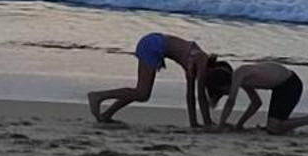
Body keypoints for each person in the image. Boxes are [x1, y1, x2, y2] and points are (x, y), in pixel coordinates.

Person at [88, 32, 220, 130]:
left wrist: (194, 124)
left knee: (141, 92)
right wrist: (207, 124)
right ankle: (98, 96)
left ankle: (107, 114)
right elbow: (201, 95)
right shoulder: (202, 60)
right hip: (153, 45)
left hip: (153, 42)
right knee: (142, 93)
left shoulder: (195, 62)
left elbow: (190, 96)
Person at [207, 58, 308, 136]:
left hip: (290, 84)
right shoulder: (242, 79)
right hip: (280, 87)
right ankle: (297, 122)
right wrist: (239, 125)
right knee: (275, 127)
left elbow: (231, 101)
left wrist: (220, 126)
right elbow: (256, 103)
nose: (227, 94)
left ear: (224, 85)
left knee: (274, 128)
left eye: (223, 92)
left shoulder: (240, 74)